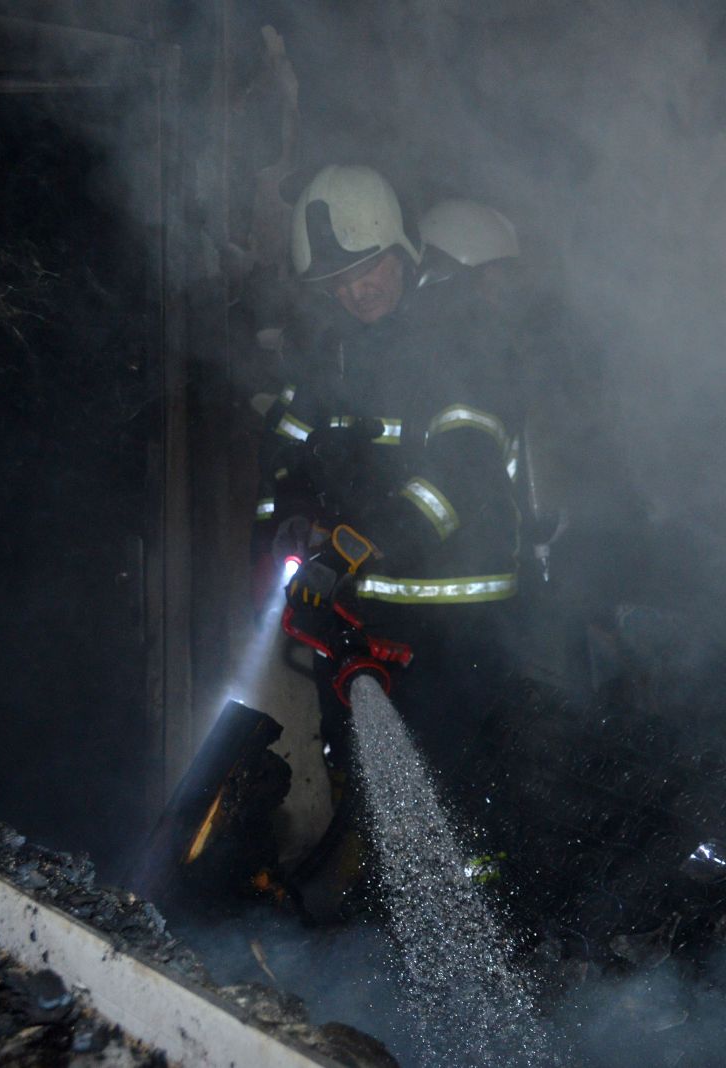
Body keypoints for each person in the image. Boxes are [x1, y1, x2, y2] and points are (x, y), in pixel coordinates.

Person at [249, 165, 523, 903]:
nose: (356, 290)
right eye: (337, 280)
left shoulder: (459, 346)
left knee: (458, 792)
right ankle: (385, 922)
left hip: (456, 623)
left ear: (402, 251)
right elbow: (284, 457)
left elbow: (463, 477)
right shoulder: (329, 359)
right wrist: (286, 527)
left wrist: (355, 545)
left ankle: (489, 928)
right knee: (366, 787)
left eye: (367, 268)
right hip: (358, 616)